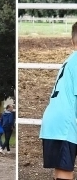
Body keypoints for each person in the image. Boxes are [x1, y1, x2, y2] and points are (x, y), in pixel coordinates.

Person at [40, 22, 77, 180]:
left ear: (72, 41)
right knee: (64, 172)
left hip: (54, 121)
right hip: (65, 124)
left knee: (62, 170)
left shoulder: (69, 61)